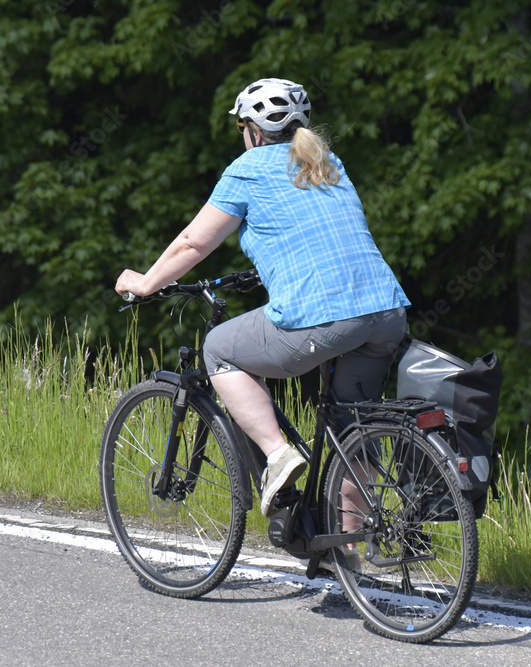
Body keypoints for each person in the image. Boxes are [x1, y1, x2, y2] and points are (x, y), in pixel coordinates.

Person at [115, 78, 410, 525]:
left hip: (322, 317)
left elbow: (194, 243)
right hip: (386, 312)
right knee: (354, 432)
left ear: (252, 130)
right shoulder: (328, 163)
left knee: (218, 348)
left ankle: (277, 455)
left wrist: (148, 282)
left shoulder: (248, 168)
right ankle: (343, 551)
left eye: (241, 128)